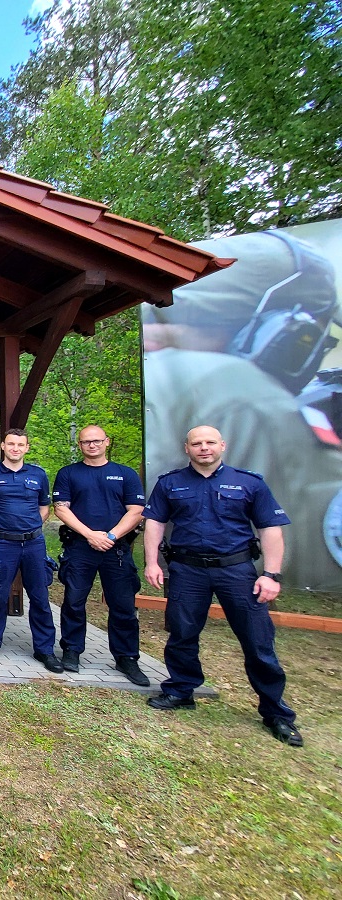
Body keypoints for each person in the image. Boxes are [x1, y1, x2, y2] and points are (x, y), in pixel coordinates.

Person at [143, 229, 342, 590]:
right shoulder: (239, 392)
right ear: (279, 334)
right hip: (230, 574)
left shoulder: (205, 385)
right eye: (306, 339)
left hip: (211, 571)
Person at [142, 425, 302, 746]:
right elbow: (155, 523)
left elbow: (270, 528)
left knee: (258, 640)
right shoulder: (170, 483)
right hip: (187, 570)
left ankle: (276, 713)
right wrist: (151, 562)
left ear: (222, 446)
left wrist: (271, 575)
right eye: (197, 443)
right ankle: (181, 690)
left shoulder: (249, 483)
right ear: (186, 448)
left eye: (210, 442)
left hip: (237, 571)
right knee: (182, 633)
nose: (204, 448)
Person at [52, 425, 149, 685]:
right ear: (80, 445)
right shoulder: (69, 474)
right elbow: (61, 509)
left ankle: (127, 657)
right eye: (86, 442)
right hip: (80, 547)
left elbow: (136, 510)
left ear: (107, 442)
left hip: (115, 549)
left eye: (96, 441)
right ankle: (71, 651)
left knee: (123, 605)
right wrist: (90, 535)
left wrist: (110, 536)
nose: (91, 445)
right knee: (73, 601)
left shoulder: (124, 474)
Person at [0, 428, 62, 672]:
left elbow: (45, 509)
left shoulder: (38, 474)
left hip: (33, 544)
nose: (15, 448)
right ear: (3, 446)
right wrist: (4, 526)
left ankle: (45, 650)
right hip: (2, 544)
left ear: (27, 448)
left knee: (40, 597)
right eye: (11, 444)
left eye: (20, 445)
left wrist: (28, 528)